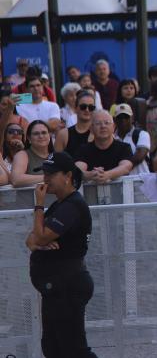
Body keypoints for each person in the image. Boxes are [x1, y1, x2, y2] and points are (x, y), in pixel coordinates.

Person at [27, 151, 97, 358]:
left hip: (68, 285)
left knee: (74, 349)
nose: (45, 180)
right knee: (53, 347)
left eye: (51, 174)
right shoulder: (60, 205)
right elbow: (31, 241)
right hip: (55, 288)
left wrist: (39, 205)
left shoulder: (72, 205)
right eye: (44, 174)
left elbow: (38, 238)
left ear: (67, 176)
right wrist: (40, 242)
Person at [74, 111, 134, 184]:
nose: (103, 126)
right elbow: (77, 170)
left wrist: (107, 175)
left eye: (107, 123)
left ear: (113, 127)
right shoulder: (83, 149)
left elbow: (126, 167)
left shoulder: (124, 147)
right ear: (91, 129)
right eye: (98, 123)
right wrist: (92, 175)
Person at [11, 120, 53, 187]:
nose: (41, 136)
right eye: (36, 133)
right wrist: (48, 177)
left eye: (44, 133)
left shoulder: (57, 156)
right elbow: (15, 179)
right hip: (30, 197)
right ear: (29, 138)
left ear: (49, 135)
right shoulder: (22, 155)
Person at [112, 104, 151, 176]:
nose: (123, 120)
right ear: (114, 120)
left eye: (126, 117)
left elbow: (139, 157)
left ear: (132, 118)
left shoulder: (142, 134)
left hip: (142, 182)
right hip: (120, 184)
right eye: (120, 117)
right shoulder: (111, 137)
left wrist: (119, 169)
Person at [55, 90, 96, 156]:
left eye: (91, 107)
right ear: (76, 108)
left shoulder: (101, 132)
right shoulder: (63, 135)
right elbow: (55, 162)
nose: (87, 110)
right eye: (83, 107)